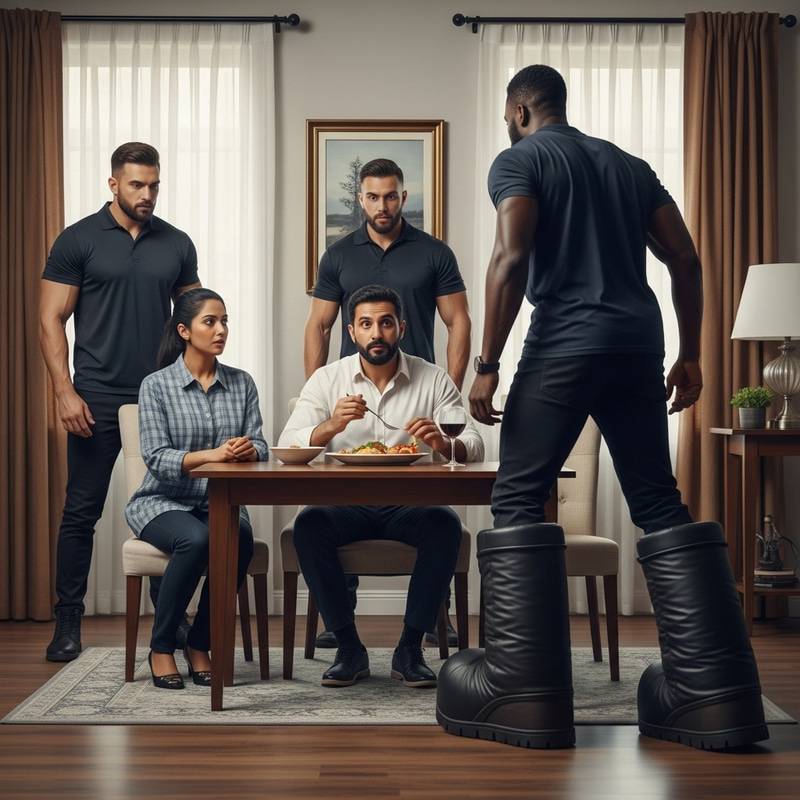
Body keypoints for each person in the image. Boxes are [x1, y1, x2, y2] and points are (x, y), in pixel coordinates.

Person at [436, 65, 767, 751]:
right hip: (638, 345)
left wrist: (486, 365)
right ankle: (715, 694)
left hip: (565, 345)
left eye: (507, 114)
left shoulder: (520, 159)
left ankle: (521, 695)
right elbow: (686, 259)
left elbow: (510, 257)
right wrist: (691, 355)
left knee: (517, 496)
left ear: (519, 110)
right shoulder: (629, 166)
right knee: (658, 501)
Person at [39, 142, 201, 662]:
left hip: (160, 396)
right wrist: (64, 391)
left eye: (154, 185)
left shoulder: (177, 243)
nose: (147, 193)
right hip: (96, 396)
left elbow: (195, 319)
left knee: (169, 505)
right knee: (81, 511)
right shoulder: (78, 239)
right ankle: (67, 622)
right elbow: (50, 317)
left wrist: (193, 385)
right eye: (137, 184)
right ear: (114, 184)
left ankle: (169, 621)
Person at [304, 157, 472, 648]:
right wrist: (319, 394)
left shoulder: (435, 253)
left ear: (403, 197)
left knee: (432, 510)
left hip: (419, 389)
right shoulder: (337, 255)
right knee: (338, 504)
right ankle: (340, 618)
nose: (383, 205)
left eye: (391, 196)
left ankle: (435, 617)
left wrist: (449, 396)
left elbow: (458, 321)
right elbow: (319, 325)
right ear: (361, 199)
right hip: (354, 390)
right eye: (373, 196)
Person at [281, 284, 484, 688]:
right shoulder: (326, 379)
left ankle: (409, 648)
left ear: (401, 328)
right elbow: (288, 444)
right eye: (366, 324)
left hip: (410, 505)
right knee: (308, 525)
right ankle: (348, 647)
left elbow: (475, 445)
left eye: (386, 323)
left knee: (445, 525)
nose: (377, 333)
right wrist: (330, 426)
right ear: (352, 331)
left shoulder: (434, 379)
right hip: (344, 505)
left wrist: (443, 443)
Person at [125, 288, 268, 689]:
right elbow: (156, 457)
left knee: (240, 538)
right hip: (161, 501)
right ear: (184, 331)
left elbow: (261, 445)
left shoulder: (242, 383)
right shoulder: (156, 385)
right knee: (197, 539)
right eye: (211, 321)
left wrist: (248, 450)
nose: (221, 330)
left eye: (225, 321)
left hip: (221, 500)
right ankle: (161, 647)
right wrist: (214, 455)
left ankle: (200, 643)